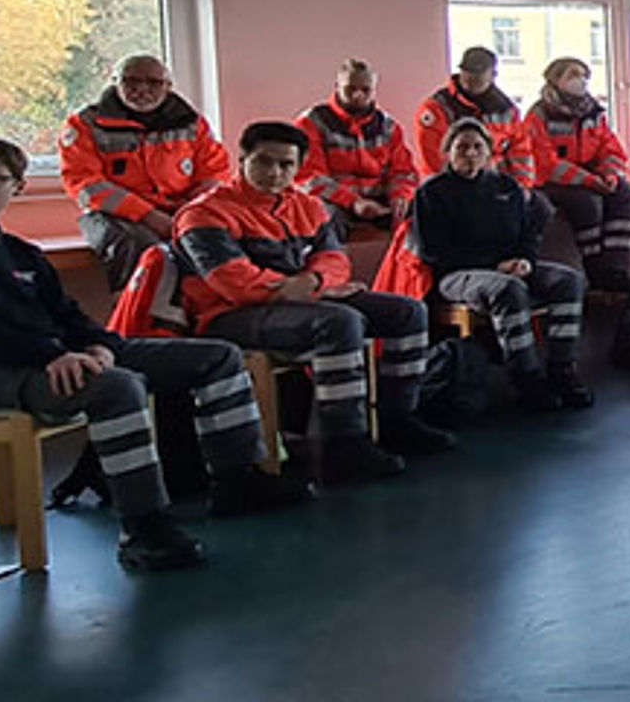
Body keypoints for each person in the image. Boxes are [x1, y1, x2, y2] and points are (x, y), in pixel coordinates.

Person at [0, 135, 311, 572]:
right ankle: (143, 525)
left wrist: (99, 345)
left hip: (56, 358)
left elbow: (67, 314)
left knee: (217, 357)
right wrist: (51, 354)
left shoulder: (21, 253)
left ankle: (238, 480)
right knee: (116, 388)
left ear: (17, 186)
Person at [175, 122, 456, 484]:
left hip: (304, 301)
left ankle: (398, 419)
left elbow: (335, 260)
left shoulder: (310, 207)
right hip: (230, 315)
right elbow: (234, 282)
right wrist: (305, 288)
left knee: (407, 312)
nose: (275, 173)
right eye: (264, 162)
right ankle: (342, 443)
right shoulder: (204, 213)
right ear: (242, 160)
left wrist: (315, 283)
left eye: (286, 165)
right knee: (339, 322)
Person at [412, 119, 591, 412]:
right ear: (448, 152)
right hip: (457, 274)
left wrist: (525, 261)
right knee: (508, 289)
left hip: (511, 266)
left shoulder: (506, 187)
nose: (470, 154)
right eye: (462, 147)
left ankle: (562, 371)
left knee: (569, 281)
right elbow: (435, 252)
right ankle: (526, 378)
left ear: (488, 153)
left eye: (477, 147)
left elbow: (528, 234)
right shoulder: (432, 194)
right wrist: (496, 267)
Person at [60, 54, 230, 289]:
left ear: (168, 87)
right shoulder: (85, 125)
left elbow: (214, 173)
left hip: (181, 211)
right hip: (114, 216)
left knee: (214, 239)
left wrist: (189, 212)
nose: (142, 89)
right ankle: (132, 316)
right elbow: (85, 184)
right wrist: (148, 215)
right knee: (142, 248)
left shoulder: (192, 123)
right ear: (114, 82)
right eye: (131, 81)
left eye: (153, 83)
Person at [523, 57, 630, 292]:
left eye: (584, 75)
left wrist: (610, 175)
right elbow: (545, 162)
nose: (581, 80)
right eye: (573, 75)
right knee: (587, 204)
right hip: (554, 182)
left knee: (625, 195)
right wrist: (590, 181)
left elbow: (610, 148)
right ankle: (595, 269)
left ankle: (617, 268)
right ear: (555, 80)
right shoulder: (539, 115)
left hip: (591, 178)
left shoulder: (593, 113)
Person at [295, 58, 419, 235]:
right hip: (334, 202)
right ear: (337, 86)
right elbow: (309, 178)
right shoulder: (311, 123)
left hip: (380, 201)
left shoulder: (389, 126)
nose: (358, 95)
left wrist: (399, 196)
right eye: (350, 89)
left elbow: (404, 171)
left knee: (426, 208)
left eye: (365, 90)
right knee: (322, 215)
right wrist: (353, 202)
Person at [415, 46, 533, 188]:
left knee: (541, 207)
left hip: (499, 185)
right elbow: (434, 159)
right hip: (452, 188)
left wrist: (522, 187)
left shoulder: (507, 109)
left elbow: (521, 152)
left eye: (479, 73)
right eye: (467, 71)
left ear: (493, 75)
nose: (471, 78)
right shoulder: (437, 108)